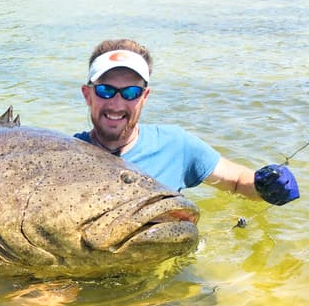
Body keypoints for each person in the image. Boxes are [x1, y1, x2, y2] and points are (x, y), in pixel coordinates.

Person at [75, 38, 299, 207]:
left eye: (131, 92)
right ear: (87, 95)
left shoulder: (176, 145)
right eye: (105, 90)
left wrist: (265, 186)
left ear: (144, 97)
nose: (116, 103)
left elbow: (237, 182)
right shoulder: (65, 154)